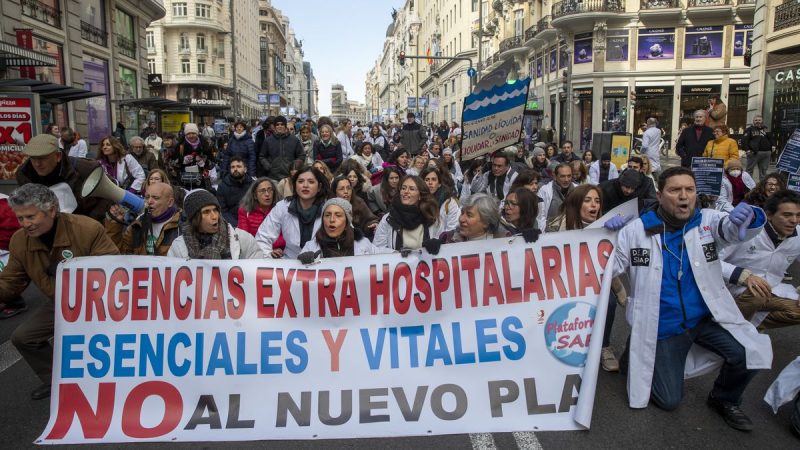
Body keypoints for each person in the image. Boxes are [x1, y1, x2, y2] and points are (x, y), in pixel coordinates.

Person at [611, 166, 770, 431]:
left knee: (751, 353)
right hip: (663, 326)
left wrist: (751, 217)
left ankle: (724, 399)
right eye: (675, 190)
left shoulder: (707, 221)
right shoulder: (636, 231)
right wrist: (604, 237)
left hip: (704, 319)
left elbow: (729, 229)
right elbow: (610, 267)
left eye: (690, 190)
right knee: (668, 400)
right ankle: (635, 351)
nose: (684, 196)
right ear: (660, 195)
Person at [4, 184, 118, 400]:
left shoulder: (87, 228)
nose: (25, 224)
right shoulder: (19, 241)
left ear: (52, 211)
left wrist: (73, 269)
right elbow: (11, 281)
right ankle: (56, 380)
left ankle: (112, 383)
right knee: (23, 337)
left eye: (30, 216)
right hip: (61, 302)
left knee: (103, 342)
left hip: (99, 302)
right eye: (20, 218)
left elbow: (112, 269)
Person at [547, 184, 626, 371]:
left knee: (609, 302)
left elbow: (616, 263)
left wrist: (615, 235)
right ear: (576, 204)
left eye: (597, 201)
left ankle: (603, 346)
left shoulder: (607, 228)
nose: (594, 205)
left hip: (594, 281)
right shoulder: (554, 227)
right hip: (563, 282)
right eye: (588, 200)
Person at [720, 190, 800, 329]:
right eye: (787, 215)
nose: (794, 220)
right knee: (757, 294)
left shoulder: (798, 235)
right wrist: (742, 276)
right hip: (731, 289)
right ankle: (729, 332)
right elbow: (710, 260)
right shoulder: (747, 231)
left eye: (798, 215)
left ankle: (749, 328)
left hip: (771, 291)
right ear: (769, 215)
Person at [16, 134, 111, 222]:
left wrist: (89, 223)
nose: (37, 164)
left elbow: (108, 195)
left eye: (43, 158)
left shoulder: (86, 169)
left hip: (85, 227)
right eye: (33, 158)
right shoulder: (24, 174)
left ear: (58, 156)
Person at [256, 166, 328, 259]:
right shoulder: (282, 207)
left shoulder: (330, 208)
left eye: (311, 182)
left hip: (322, 265)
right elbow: (262, 237)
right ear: (295, 185)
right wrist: (268, 259)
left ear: (319, 187)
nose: (305, 185)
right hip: (290, 265)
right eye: (300, 181)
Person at [168, 189, 263, 259]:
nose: (214, 216)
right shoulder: (179, 246)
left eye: (215, 210)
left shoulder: (242, 239)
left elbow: (256, 271)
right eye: (206, 212)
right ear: (194, 218)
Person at [297, 198, 385, 262]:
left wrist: (398, 255)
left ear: (347, 221)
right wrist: (302, 263)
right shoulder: (310, 247)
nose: (332, 219)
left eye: (338, 215)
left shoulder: (363, 244)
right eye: (327, 215)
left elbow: (384, 257)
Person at [373, 175, 443, 251]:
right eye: (403, 188)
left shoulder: (432, 218)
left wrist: (436, 245)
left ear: (420, 195)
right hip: (397, 262)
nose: (406, 192)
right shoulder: (388, 218)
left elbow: (443, 245)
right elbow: (377, 248)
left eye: (411, 189)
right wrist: (397, 255)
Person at [120, 182, 181, 256]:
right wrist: (114, 225)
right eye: (147, 197)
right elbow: (122, 252)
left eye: (155, 198)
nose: (149, 202)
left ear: (170, 202)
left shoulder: (182, 225)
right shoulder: (138, 223)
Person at [438, 194, 504, 243]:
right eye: (462, 213)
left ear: (486, 222)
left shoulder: (504, 243)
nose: (461, 219)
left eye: (469, 215)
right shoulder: (447, 239)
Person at [258, 115, 305, 180]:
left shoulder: (294, 140)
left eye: (282, 124)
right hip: (273, 176)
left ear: (285, 126)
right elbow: (262, 156)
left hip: (290, 177)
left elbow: (301, 156)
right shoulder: (268, 140)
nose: (280, 126)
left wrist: (295, 167)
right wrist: (268, 166)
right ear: (274, 127)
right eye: (277, 124)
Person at [421, 167, 461, 233]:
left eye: (433, 179)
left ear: (439, 184)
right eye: (427, 179)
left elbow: (452, 228)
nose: (430, 182)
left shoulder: (449, 203)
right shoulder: (416, 200)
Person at [537, 163, 576, 231]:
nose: (566, 180)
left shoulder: (578, 189)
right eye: (562, 176)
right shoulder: (544, 191)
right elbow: (540, 217)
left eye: (569, 176)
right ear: (555, 176)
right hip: (551, 233)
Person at [215, 156, 252, 227]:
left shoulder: (253, 185)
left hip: (251, 220)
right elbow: (223, 211)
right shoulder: (222, 186)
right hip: (233, 224)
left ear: (245, 169)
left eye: (239, 166)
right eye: (233, 167)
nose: (235, 169)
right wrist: (237, 225)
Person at [742, 115, 775, 181]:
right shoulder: (749, 130)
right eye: (756, 120)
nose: (758, 121)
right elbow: (744, 141)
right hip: (753, 153)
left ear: (762, 121)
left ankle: (762, 186)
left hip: (766, 153)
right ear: (753, 121)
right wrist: (747, 150)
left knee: (763, 171)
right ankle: (749, 186)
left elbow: (771, 138)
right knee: (749, 170)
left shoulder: (766, 129)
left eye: (759, 120)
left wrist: (773, 145)